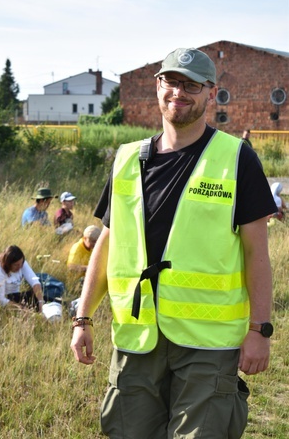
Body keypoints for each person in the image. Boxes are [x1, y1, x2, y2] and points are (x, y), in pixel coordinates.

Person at [71, 47, 277, 439]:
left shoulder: (237, 159)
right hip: (138, 336)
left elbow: (257, 255)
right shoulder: (127, 159)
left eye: (191, 85)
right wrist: (82, 318)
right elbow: (108, 243)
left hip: (208, 342)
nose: (178, 93)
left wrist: (259, 329)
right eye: (171, 82)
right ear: (158, 87)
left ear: (210, 93)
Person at [0, 245, 44, 312]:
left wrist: (40, 303)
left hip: (14, 296)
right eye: (16, 265)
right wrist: (22, 309)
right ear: (8, 263)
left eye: (21, 263)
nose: (20, 267)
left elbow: (35, 282)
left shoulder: (20, 263)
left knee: (40, 294)